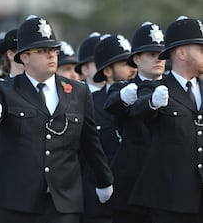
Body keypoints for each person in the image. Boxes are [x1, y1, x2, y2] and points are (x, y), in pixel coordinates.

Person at [0, 16, 114, 223]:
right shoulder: (3, 88)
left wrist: (104, 180)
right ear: (24, 57)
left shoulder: (77, 91)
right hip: (14, 202)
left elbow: (90, 142)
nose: (51, 56)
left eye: (53, 50)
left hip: (62, 201)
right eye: (42, 51)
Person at [128, 16, 203, 223]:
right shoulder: (156, 87)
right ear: (181, 52)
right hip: (170, 199)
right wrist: (152, 102)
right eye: (201, 50)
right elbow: (138, 111)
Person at [104, 22, 166, 223]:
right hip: (132, 186)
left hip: (169, 186)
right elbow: (113, 104)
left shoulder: (177, 88)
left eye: (161, 53)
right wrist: (125, 96)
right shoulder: (125, 88)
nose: (158, 59)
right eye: (151, 54)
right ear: (136, 59)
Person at [81, 33, 136, 223]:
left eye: (133, 62)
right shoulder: (89, 103)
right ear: (107, 71)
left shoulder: (145, 99)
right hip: (100, 204)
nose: (132, 68)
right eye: (124, 63)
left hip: (137, 202)